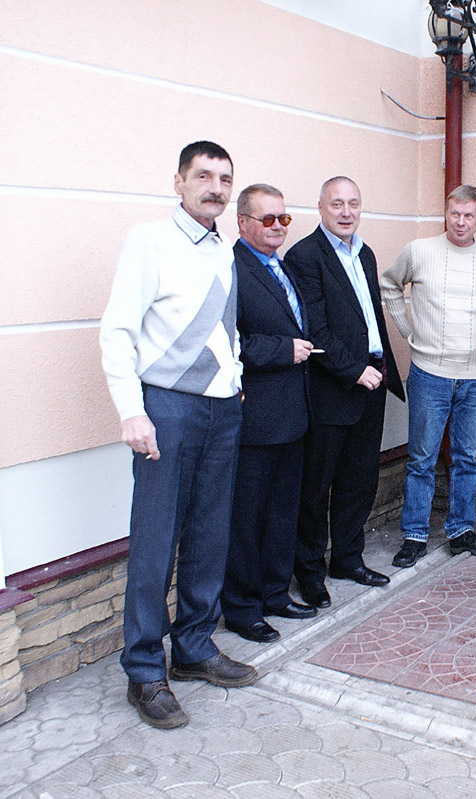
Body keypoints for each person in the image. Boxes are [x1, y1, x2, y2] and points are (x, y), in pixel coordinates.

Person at [100, 141, 257, 730]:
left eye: (224, 179)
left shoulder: (224, 249)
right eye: (204, 176)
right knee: (156, 539)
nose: (215, 188)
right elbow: (118, 330)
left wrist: (235, 381)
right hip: (165, 407)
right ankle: (144, 669)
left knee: (210, 534)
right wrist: (131, 410)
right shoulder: (149, 241)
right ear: (179, 182)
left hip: (221, 410)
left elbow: (225, 330)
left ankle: (193, 647)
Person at [283, 176, 404, 606]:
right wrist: (354, 371)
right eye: (337, 204)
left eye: (353, 203)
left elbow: (368, 316)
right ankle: (310, 572)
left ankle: (348, 559)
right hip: (333, 387)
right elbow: (313, 329)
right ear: (321, 208)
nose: (346, 212)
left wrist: (378, 370)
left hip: (372, 380)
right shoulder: (304, 256)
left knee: (359, 479)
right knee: (317, 487)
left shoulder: (364, 253)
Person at [382, 185, 476, 568]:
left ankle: (460, 530)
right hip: (429, 373)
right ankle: (414, 534)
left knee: (467, 457)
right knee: (421, 458)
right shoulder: (419, 251)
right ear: (446, 213)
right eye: (455, 213)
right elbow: (389, 283)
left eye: (469, 215)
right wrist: (408, 330)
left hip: (475, 376)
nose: (461, 222)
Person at [220, 184, 317, 644]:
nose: (278, 227)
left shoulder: (281, 265)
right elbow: (227, 341)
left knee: (282, 512)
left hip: (293, 415)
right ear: (243, 223)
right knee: (248, 517)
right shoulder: (231, 269)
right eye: (268, 219)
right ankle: (243, 608)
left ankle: (276, 593)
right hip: (255, 418)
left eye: (284, 219)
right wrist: (283, 350)